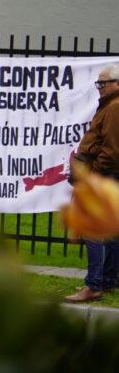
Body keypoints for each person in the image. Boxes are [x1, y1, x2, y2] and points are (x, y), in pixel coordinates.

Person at [64, 64, 119, 303]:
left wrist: (91, 175)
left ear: (116, 83)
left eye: (103, 83)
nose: (99, 87)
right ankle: (107, 281)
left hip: (103, 173)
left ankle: (94, 284)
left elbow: (112, 150)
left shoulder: (114, 108)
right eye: (98, 83)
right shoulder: (110, 106)